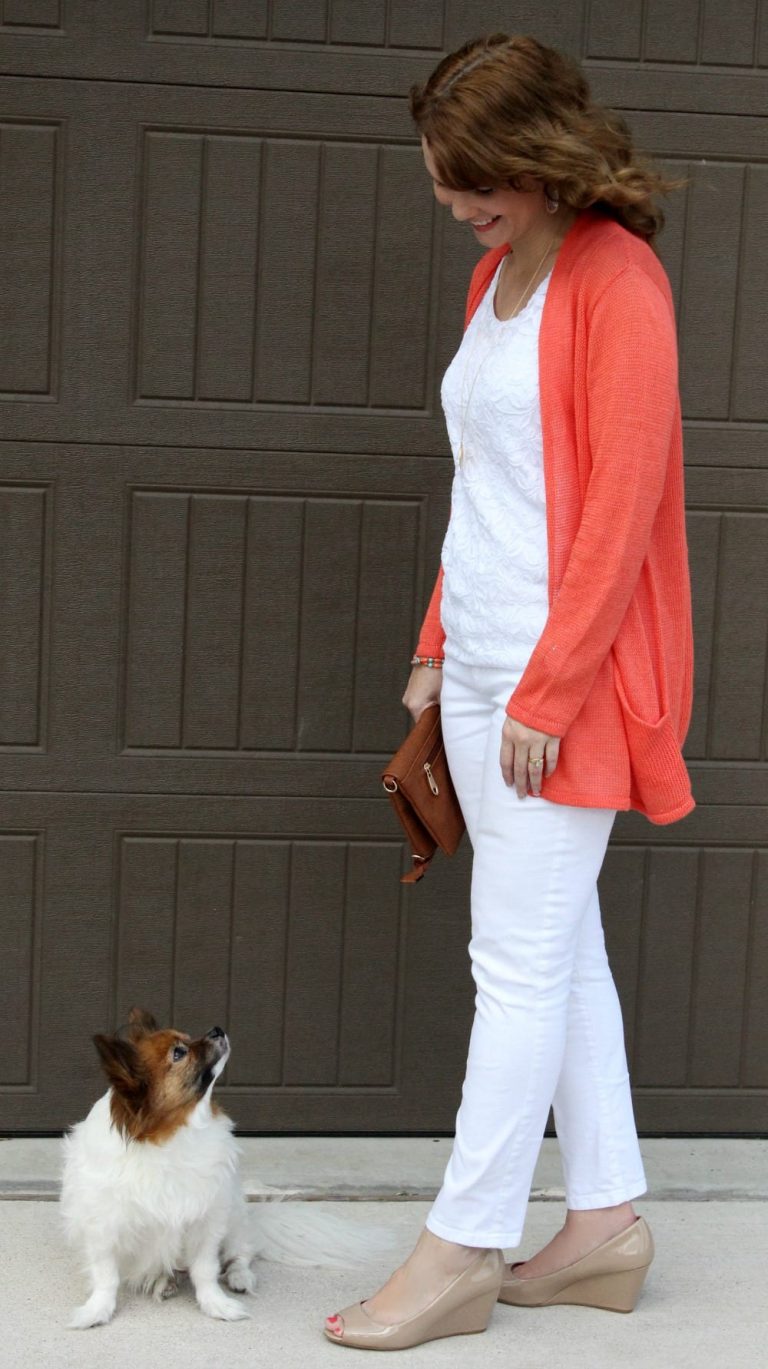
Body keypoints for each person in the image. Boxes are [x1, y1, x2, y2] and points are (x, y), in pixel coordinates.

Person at [324, 32, 694, 1352]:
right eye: (447, 180)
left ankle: (462, 1246)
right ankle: (604, 1225)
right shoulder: (499, 274)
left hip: (563, 689)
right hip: (482, 668)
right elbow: (487, 482)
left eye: (478, 180)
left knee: (515, 964)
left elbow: (620, 504)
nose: (456, 204)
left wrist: (549, 685)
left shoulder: (618, 280)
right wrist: (437, 643)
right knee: (559, 946)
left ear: (543, 158)